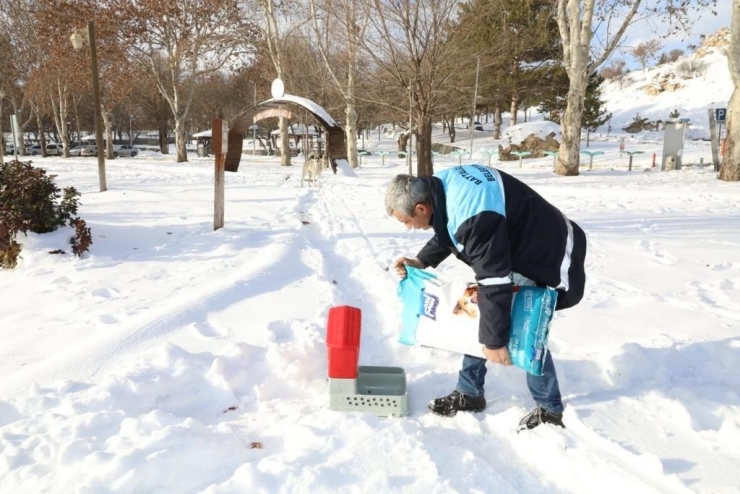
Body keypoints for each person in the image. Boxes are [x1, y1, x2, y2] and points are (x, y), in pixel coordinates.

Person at [385, 164, 587, 431]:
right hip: (515, 242)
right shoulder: (440, 185)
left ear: (421, 208)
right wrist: (421, 260)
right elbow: (450, 226)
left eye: (406, 221)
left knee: (527, 325)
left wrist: (494, 341)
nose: (409, 228)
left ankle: (550, 408)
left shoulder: (475, 217)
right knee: (480, 311)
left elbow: (494, 279)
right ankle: (470, 392)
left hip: (549, 252)